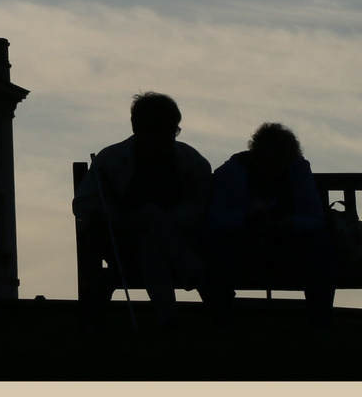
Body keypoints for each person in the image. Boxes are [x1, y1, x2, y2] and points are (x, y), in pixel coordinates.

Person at [73, 92, 212, 328]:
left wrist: (163, 222)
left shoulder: (191, 161)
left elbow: (203, 207)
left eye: (173, 131)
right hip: (121, 239)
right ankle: (199, 276)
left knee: (149, 240)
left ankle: (168, 318)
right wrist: (118, 219)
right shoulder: (110, 159)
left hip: (176, 237)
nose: (169, 138)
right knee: (149, 217)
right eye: (164, 132)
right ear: (141, 130)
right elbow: (83, 204)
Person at [201, 122, 336, 326]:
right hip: (243, 245)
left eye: (278, 165)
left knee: (319, 243)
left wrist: (289, 224)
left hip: (288, 246)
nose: (272, 171)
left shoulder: (298, 169)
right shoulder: (230, 172)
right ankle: (222, 320)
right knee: (211, 243)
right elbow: (214, 220)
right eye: (267, 164)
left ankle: (320, 321)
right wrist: (246, 216)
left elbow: (316, 217)